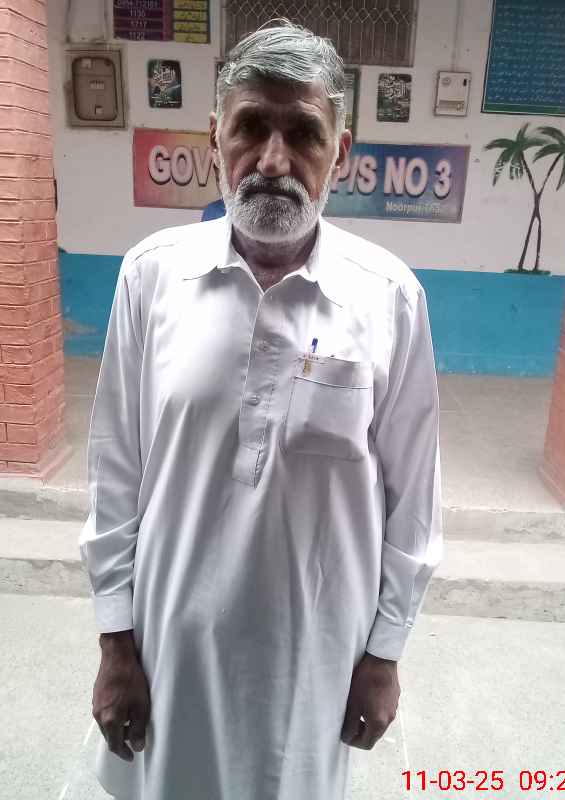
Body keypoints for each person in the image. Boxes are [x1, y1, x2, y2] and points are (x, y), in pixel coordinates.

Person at [80, 19, 443, 800]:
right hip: (170, 649)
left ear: (339, 154)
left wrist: (384, 655)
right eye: (250, 127)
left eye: (304, 133)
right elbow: (115, 474)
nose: (273, 161)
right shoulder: (152, 277)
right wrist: (115, 643)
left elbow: (415, 500)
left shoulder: (389, 299)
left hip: (315, 660)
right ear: (216, 136)